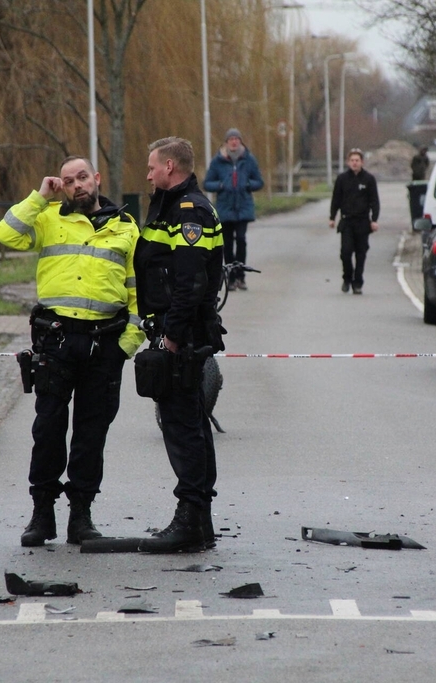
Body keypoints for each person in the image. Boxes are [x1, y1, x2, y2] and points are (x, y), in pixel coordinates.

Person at [0, 156, 144, 548]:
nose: (76, 185)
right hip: (56, 341)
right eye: (67, 180)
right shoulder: (47, 218)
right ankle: (42, 514)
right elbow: (5, 234)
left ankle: (81, 515)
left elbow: (137, 292)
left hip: (104, 344)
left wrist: (126, 346)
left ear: (96, 179)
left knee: (91, 435)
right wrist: (38, 197)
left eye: (82, 178)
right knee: (47, 430)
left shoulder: (126, 228)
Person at [135, 136, 225, 553]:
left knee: (182, 428)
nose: (148, 173)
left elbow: (190, 282)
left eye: (153, 166)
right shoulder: (171, 205)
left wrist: (171, 337)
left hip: (181, 336)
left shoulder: (189, 210)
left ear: (170, 166)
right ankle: (199, 520)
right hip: (178, 330)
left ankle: (190, 517)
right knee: (190, 424)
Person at [203, 128, 264, 290]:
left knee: (242, 241)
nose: (234, 141)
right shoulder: (218, 161)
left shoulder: (248, 159)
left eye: (237, 138)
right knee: (227, 244)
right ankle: (230, 278)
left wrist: (248, 184)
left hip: (243, 206)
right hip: (225, 207)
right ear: (226, 142)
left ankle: (241, 276)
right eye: (231, 139)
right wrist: (221, 185)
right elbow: (207, 183)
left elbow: (259, 181)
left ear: (240, 141)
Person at [329, 148, 380, 295]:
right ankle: (347, 278)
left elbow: (374, 201)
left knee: (361, 253)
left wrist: (374, 219)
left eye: (357, 160)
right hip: (347, 221)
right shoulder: (342, 179)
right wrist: (332, 217)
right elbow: (336, 199)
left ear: (362, 162)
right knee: (345, 252)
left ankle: (358, 282)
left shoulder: (369, 179)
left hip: (363, 222)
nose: (354, 163)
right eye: (352, 160)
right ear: (348, 162)